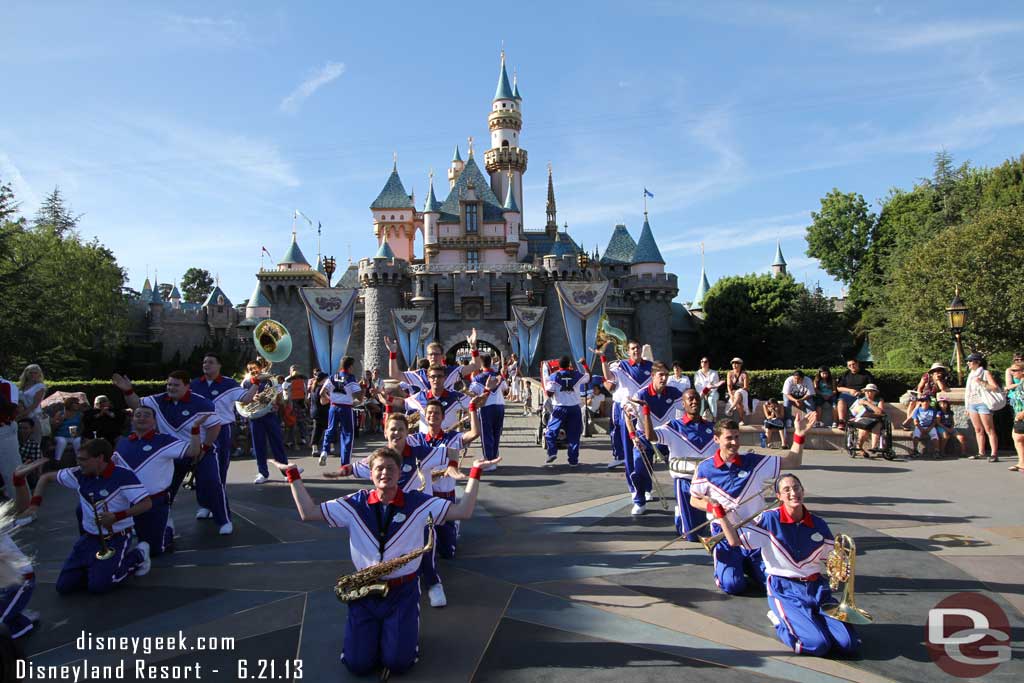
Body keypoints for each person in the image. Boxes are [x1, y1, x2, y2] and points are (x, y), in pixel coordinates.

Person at [273, 446, 495, 677]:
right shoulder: (355, 503)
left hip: (402, 591)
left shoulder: (418, 503)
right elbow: (308, 512)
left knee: (399, 663)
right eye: (378, 468)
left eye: (391, 468)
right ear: (371, 474)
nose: (384, 473)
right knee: (357, 665)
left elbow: (463, 511)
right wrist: (293, 476)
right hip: (364, 590)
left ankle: (397, 639)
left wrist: (475, 472)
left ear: (400, 474)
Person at [716, 474, 861, 657]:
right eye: (787, 490)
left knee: (848, 644)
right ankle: (780, 621)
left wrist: (841, 569)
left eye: (797, 488)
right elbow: (735, 541)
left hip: (817, 588)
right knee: (818, 645)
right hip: (785, 588)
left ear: (803, 491)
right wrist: (721, 517)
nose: (794, 493)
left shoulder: (818, 524)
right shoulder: (769, 519)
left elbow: (830, 559)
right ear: (779, 496)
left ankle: (809, 620)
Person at [690, 413, 811, 595]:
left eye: (737, 437)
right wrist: (712, 508)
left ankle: (747, 563)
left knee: (772, 583)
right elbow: (693, 499)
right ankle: (730, 567)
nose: (734, 442)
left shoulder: (753, 462)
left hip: (755, 531)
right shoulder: (705, 468)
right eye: (728, 438)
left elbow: (794, 461)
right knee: (733, 586)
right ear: (716, 439)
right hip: (723, 533)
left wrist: (799, 434)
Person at [112, 371, 233, 533]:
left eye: (176, 385)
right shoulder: (157, 400)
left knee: (212, 483)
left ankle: (224, 520)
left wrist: (204, 447)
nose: (171, 387)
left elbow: (214, 426)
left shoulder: (202, 403)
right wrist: (127, 390)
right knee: (164, 489)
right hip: (172, 453)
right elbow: (136, 405)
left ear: (187, 386)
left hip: (202, 450)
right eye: (169, 384)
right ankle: (162, 520)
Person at [28, 439, 153, 593]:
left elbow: (146, 503)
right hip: (89, 538)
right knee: (64, 587)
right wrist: (34, 504)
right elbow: (45, 478)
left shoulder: (123, 475)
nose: (79, 463)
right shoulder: (79, 474)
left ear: (100, 458)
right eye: (78, 459)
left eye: (83, 459)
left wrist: (116, 516)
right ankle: (98, 568)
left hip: (116, 537)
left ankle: (138, 555)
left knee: (100, 586)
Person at [112, 406, 204, 555]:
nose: (142, 418)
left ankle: (166, 529)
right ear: (132, 420)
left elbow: (193, 451)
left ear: (154, 421)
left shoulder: (164, 441)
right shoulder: (123, 443)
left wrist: (195, 429)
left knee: (155, 551)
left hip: (154, 503)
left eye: (147, 415)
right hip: (127, 503)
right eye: (138, 415)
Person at [639, 387, 711, 539]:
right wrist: (646, 412)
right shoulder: (673, 426)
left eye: (696, 398)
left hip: (707, 482)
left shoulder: (711, 427)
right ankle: (680, 516)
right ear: (683, 404)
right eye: (690, 399)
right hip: (685, 480)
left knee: (712, 524)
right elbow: (651, 437)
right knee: (692, 535)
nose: (694, 401)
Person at [190, 353, 251, 520]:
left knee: (220, 468)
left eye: (210, 362)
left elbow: (246, 398)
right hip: (201, 431)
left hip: (222, 429)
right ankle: (203, 504)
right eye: (204, 362)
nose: (206, 365)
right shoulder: (195, 384)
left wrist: (256, 383)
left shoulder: (229, 384)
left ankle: (217, 504)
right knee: (201, 468)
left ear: (219, 366)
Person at [622, 361, 682, 515]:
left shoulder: (675, 393)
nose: (664, 378)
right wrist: (633, 436)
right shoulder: (641, 395)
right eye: (661, 375)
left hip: (666, 436)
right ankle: (640, 501)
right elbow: (627, 416)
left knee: (681, 469)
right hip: (643, 437)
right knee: (639, 470)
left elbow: (685, 411)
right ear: (653, 376)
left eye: (666, 375)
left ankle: (682, 503)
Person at [1, 460, 47, 638]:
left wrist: (19, 481)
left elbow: (21, 511)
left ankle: (19, 619)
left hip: (16, 582)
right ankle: (15, 616)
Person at [238, 363, 295, 485]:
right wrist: (253, 398)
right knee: (258, 445)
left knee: (277, 443)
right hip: (255, 416)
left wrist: (275, 402)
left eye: (254, 368)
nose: (252, 371)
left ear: (260, 368)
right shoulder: (246, 382)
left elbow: (280, 398)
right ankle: (262, 473)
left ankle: (286, 472)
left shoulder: (270, 380)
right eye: (249, 369)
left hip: (270, 415)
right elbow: (241, 399)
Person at [601, 340, 654, 470]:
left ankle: (644, 472)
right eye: (633, 349)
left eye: (637, 348)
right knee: (626, 440)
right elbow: (608, 377)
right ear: (628, 352)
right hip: (628, 411)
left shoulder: (651, 366)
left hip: (645, 411)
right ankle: (628, 467)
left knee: (646, 443)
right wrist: (602, 357)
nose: (636, 350)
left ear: (641, 350)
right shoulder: (621, 366)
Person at [385, 331, 481, 393]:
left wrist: (473, 347)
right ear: (427, 357)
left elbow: (476, 365)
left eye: (436, 354)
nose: (433, 357)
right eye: (430, 354)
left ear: (443, 356)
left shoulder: (452, 372)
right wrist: (393, 353)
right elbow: (394, 374)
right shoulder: (420, 375)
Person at [544, 356, 591, 467]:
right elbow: (589, 378)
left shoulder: (553, 376)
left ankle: (552, 452)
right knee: (574, 435)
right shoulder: (576, 374)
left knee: (550, 432)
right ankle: (573, 460)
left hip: (559, 408)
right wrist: (584, 364)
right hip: (574, 408)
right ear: (569, 364)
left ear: (558, 366)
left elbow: (549, 393)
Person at [318, 357, 363, 467]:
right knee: (347, 434)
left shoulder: (332, 377)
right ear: (350, 366)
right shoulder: (351, 378)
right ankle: (345, 464)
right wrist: (362, 390)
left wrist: (329, 398)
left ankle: (324, 450)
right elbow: (360, 396)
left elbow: (321, 392)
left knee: (330, 429)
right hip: (346, 408)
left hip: (333, 407)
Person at [469, 354, 507, 472]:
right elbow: (505, 390)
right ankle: (494, 457)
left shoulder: (478, 378)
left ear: (480, 364)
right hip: (500, 406)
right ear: (490, 362)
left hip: (486, 407)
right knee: (496, 434)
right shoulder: (499, 377)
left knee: (487, 435)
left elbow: (471, 393)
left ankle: (489, 460)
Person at [964, 352, 1002, 462]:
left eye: (971, 361)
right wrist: (967, 406)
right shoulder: (971, 374)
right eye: (968, 361)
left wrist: (981, 382)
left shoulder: (985, 373)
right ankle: (981, 452)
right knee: (978, 429)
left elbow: (994, 387)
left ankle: (994, 453)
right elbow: (968, 392)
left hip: (983, 403)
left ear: (978, 362)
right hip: (972, 403)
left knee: (989, 429)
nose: (968, 363)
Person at [848, 384, 887, 459]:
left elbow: (880, 412)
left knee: (877, 426)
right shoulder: (860, 400)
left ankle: (874, 447)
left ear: (875, 392)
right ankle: (859, 448)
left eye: (871, 391)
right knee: (864, 430)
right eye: (866, 391)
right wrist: (871, 413)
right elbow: (857, 412)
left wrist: (867, 403)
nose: (868, 393)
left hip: (876, 420)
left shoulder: (879, 400)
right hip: (864, 420)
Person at [835, 358, 876, 428]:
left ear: (857, 364)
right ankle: (842, 421)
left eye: (853, 364)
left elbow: (871, 387)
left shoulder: (866, 374)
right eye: (849, 365)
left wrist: (860, 392)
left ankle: (856, 421)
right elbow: (838, 388)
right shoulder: (846, 374)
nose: (852, 366)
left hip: (862, 395)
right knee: (841, 401)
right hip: (848, 394)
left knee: (860, 402)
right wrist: (850, 390)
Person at [0, 378, 22, 502]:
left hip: (3, 430)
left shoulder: (6, 385)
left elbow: (11, 409)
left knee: (12, 473)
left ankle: (23, 511)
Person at [17, 365, 46, 445]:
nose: (33, 375)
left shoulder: (40, 386)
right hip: (21, 416)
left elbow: (35, 404)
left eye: (35, 373)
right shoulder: (22, 386)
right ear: (26, 374)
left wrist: (22, 414)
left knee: (34, 442)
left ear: (39, 374)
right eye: (31, 373)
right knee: (21, 442)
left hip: (33, 416)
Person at [52, 397, 84, 465]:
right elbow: (54, 427)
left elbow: (82, 427)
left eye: (78, 403)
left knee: (77, 440)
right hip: (60, 435)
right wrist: (61, 420)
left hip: (73, 435)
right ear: (70, 404)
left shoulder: (80, 414)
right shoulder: (60, 413)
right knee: (62, 441)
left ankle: (79, 461)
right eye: (76, 403)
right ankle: (57, 461)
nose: (78, 405)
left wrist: (78, 433)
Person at [284, 365, 309, 447]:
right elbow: (287, 394)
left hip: (300, 404)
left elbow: (305, 392)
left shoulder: (301, 382)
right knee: (291, 423)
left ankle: (302, 438)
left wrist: (305, 401)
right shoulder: (288, 382)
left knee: (301, 422)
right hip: (292, 403)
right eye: (293, 369)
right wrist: (289, 404)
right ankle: (291, 441)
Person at [1007, 363, 1024, 473]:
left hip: (1022, 415)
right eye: (1011, 370)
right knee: (1018, 438)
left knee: (1018, 438)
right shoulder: (1020, 384)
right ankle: (1022, 463)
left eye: (1015, 370)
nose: (1012, 372)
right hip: (1019, 416)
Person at [726, 358, 749, 424]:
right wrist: (731, 395)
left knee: (738, 394)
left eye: (736, 363)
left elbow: (746, 387)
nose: (734, 365)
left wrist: (738, 391)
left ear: (740, 364)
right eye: (733, 363)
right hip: (733, 392)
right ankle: (741, 420)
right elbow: (729, 386)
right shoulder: (730, 373)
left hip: (743, 391)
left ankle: (731, 408)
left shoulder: (744, 374)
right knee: (738, 401)